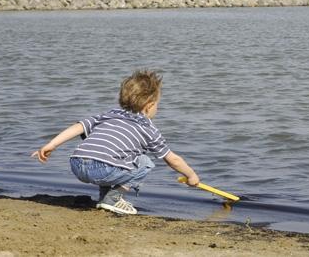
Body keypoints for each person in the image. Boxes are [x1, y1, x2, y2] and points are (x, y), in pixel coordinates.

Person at [31, 70, 200, 215]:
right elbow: (173, 160)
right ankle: (112, 198)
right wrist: (191, 175)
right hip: (102, 168)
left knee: (118, 154)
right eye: (157, 105)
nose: (158, 108)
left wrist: (52, 145)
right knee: (145, 162)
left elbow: (80, 126)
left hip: (77, 163)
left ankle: (105, 199)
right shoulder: (148, 128)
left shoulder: (110, 114)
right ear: (149, 106)